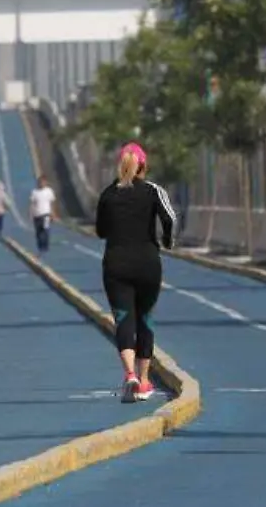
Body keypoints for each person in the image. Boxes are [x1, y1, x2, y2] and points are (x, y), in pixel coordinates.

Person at [94, 142, 176, 403]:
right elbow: (170, 218)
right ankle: (144, 381)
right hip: (147, 264)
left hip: (116, 264)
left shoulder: (108, 194)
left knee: (123, 318)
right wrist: (167, 241)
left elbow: (101, 231)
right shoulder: (153, 191)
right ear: (143, 164)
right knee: (145, 320)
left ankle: (129, 373)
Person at [29, 175, 56, 253]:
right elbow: (32, 204)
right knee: (38, 232)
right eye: (40, 182)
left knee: (45, 230)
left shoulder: (49, 191)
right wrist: (31, 213)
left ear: (46, 183)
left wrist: (53, 213)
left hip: (46, 214)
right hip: (37, 215)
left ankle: (45, 246)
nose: (41, 184)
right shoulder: (34, 192)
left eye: (43, 182)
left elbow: (52, 203)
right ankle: (40, 246)